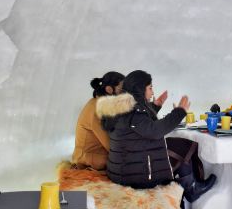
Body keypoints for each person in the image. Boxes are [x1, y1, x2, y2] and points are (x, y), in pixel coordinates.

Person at [97, 70, 216, 202]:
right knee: (183, 147)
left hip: (123, 169)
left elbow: (141, 125)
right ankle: (193, 188)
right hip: (134, 175)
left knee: (177, 146)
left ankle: (191, 186)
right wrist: (179, 112)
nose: (152, 92)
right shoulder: (134, 113)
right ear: (140, 88)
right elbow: (155, 130)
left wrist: (156, 106)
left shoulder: (121, 109)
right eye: (150, 88)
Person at [72, 71, 125, 170]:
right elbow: (111, 145)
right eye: (122, 90)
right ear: (109, 89)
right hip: (90, 160)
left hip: (95, 156)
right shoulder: (98, 109)